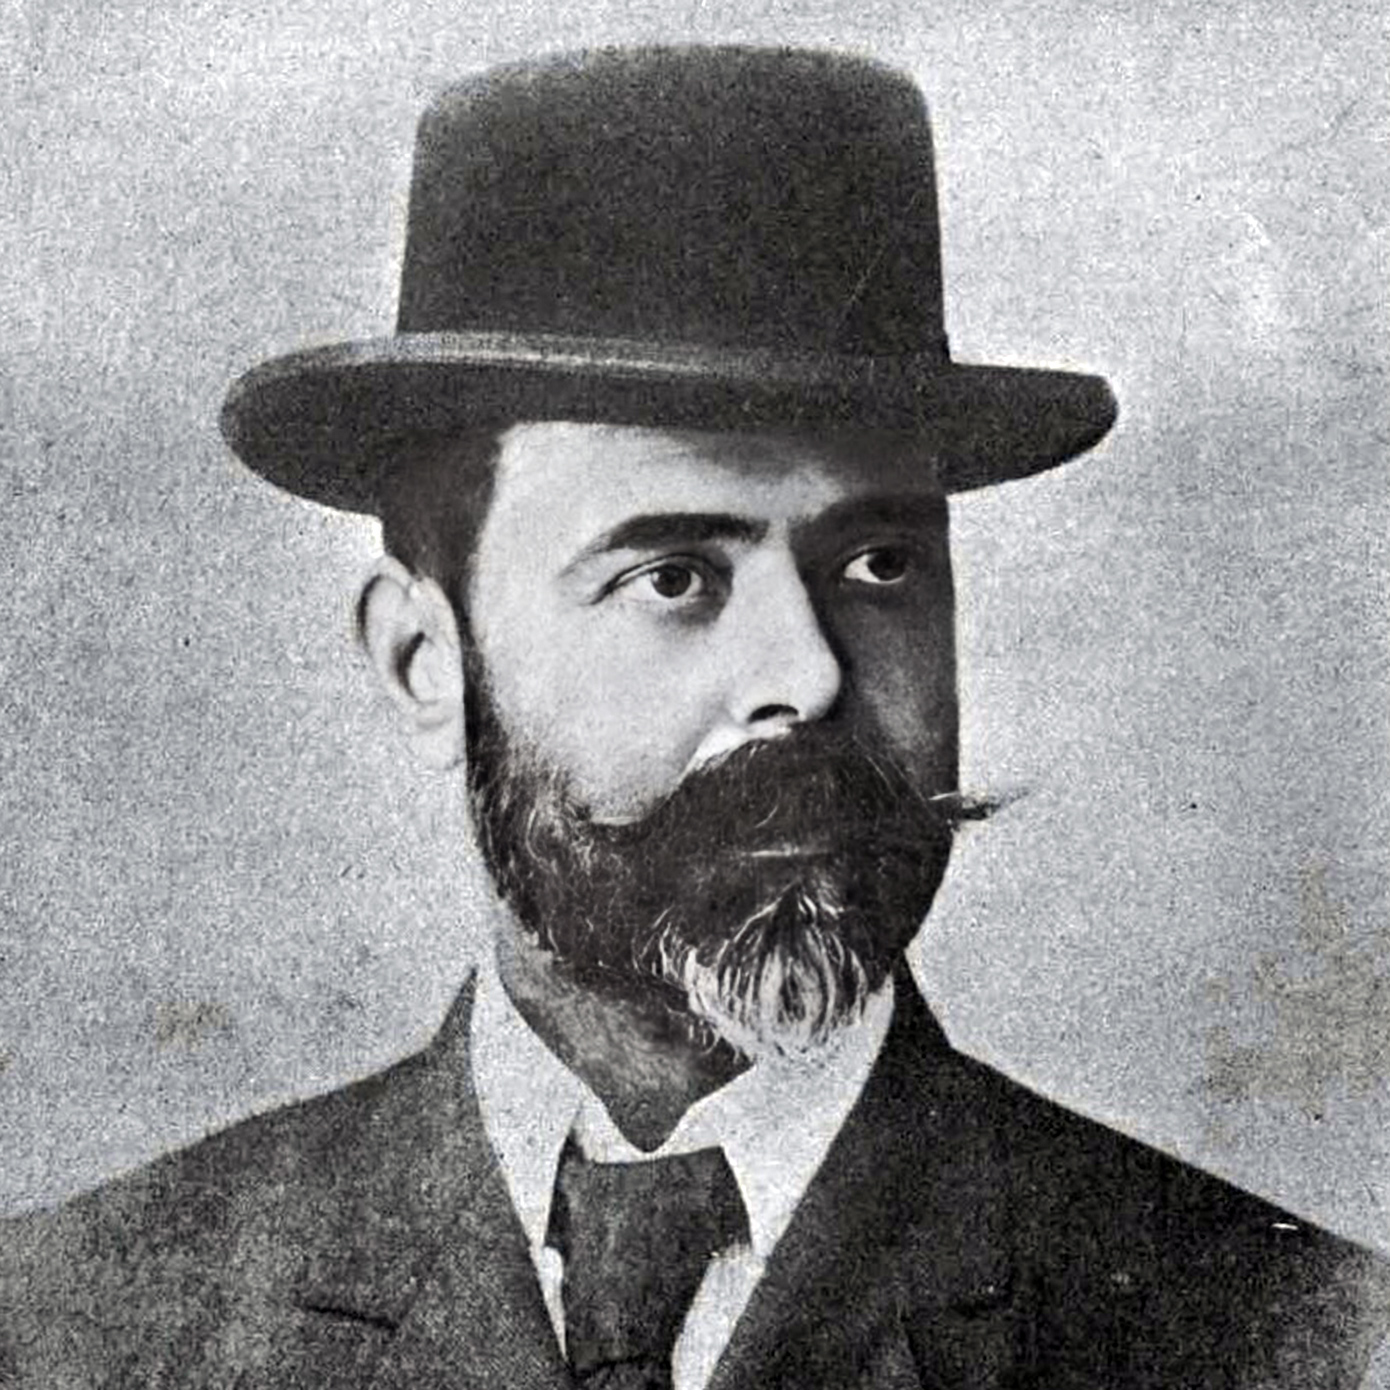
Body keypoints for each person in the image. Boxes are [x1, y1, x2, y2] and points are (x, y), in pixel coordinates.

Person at [2, 44, 1387, 1390]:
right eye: (673, 576)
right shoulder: (75, 1329)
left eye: (879, 565)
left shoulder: (1301, 1342)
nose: (809, 676)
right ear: (426, 660)